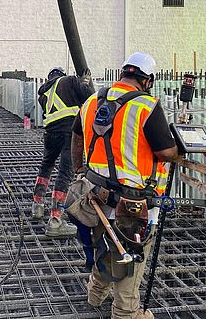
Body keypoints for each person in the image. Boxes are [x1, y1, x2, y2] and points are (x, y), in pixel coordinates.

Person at [71, 52, 179, 319]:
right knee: (132, 259)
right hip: (135, 203)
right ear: (148, 79)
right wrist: (180, 150)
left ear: (123, 74)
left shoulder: (92, 101)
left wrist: (79, 169)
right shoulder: (146, 105)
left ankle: (95, 294)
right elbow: (166, 153)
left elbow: (75, 135)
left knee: (107, 247)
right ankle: (126, 313)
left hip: (96, 196)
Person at [30, 66, 94, 237]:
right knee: (65, 173)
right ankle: (56, 221)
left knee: (46, 166)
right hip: (68, 132)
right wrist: (84, 83)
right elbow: (89, 99)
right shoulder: (70, 80)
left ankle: (37, 206)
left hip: (50, 133)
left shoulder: (43, 93)